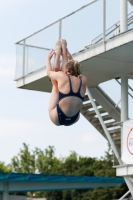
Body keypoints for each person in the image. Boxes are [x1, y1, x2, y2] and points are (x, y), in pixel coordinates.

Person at [46, 39, 87, 126]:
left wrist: (48, 59)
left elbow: (49, 73)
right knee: (60, 81)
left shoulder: (62, 76)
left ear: (67, 70)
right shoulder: (83, 79)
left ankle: (58, 54)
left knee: (55, 86)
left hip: (59, 116)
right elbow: (76, 71)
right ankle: (62, 53)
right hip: (74, 118)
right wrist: (70, 58)